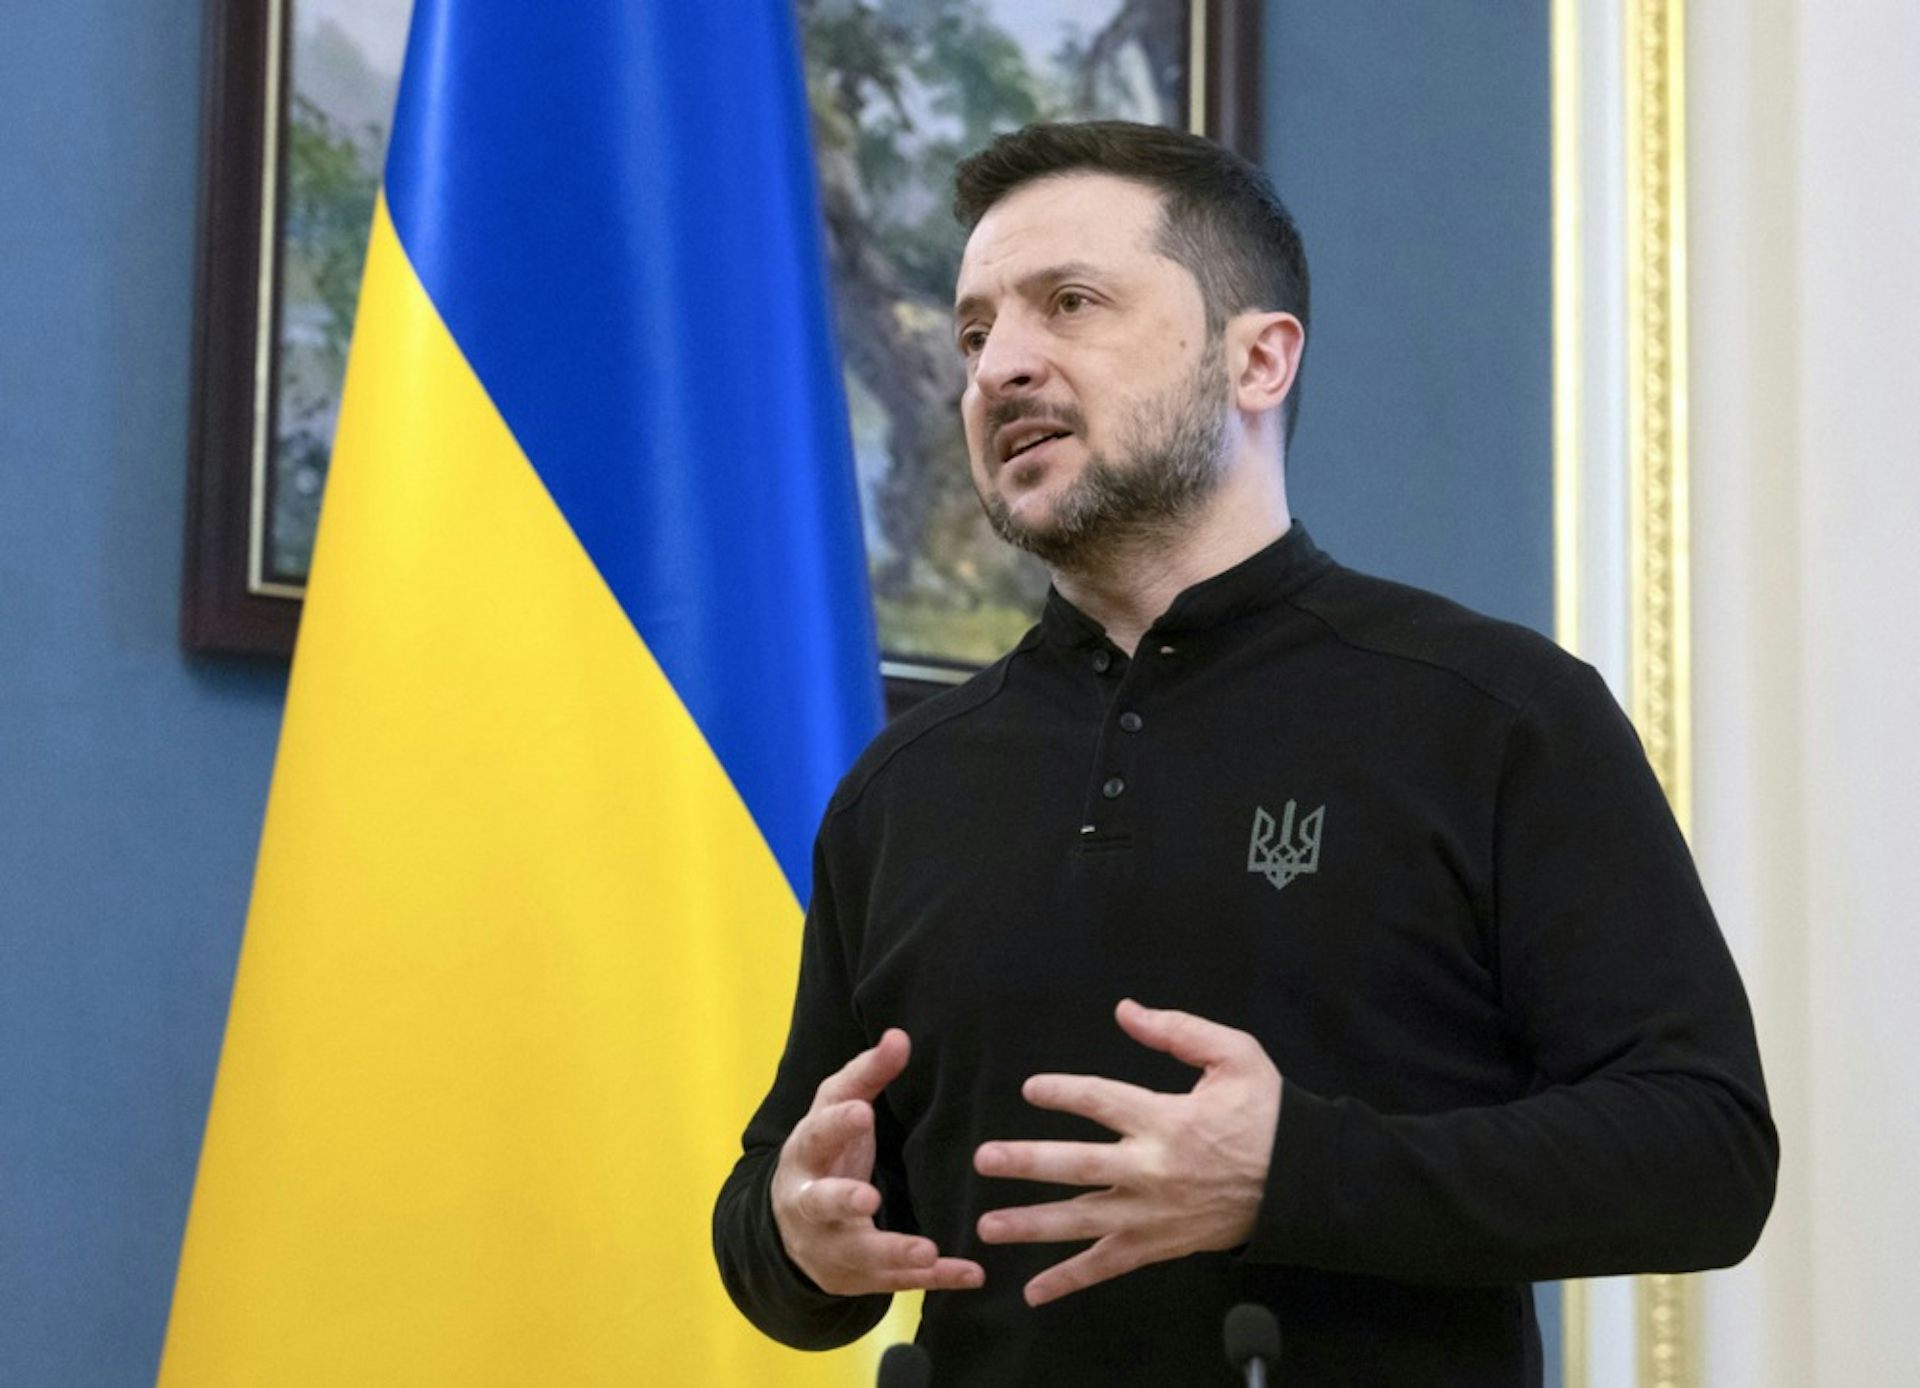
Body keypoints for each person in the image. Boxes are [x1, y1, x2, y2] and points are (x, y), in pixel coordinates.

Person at [712, 120, 1775, 1385]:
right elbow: (781, 1199)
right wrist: (792, 1231)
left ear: (1259, 358)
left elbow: (1704, 1155)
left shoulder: (1495, 713)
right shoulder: (901, 787)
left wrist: (1294, 1171)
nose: (1001, 366)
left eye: (1071, 302)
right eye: (976, 331)